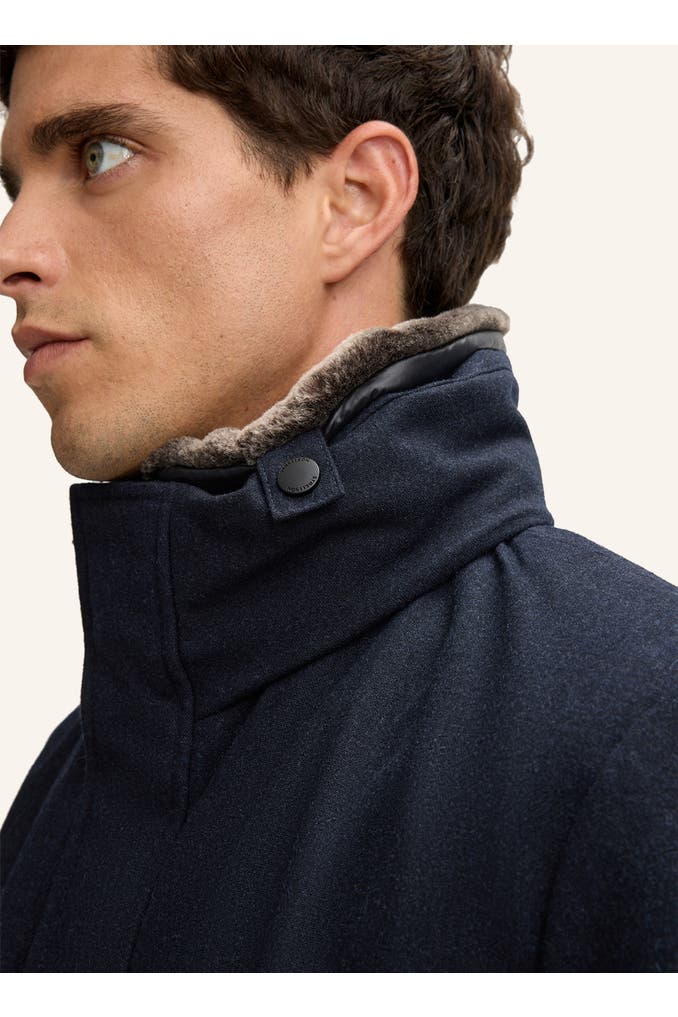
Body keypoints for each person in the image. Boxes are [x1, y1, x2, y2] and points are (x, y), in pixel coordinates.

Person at [0, 44, 675, 974]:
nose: (13, 252)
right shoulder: (70, 783)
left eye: (100, 155)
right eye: (14, 187)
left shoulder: (641, 725)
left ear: (356, 199)